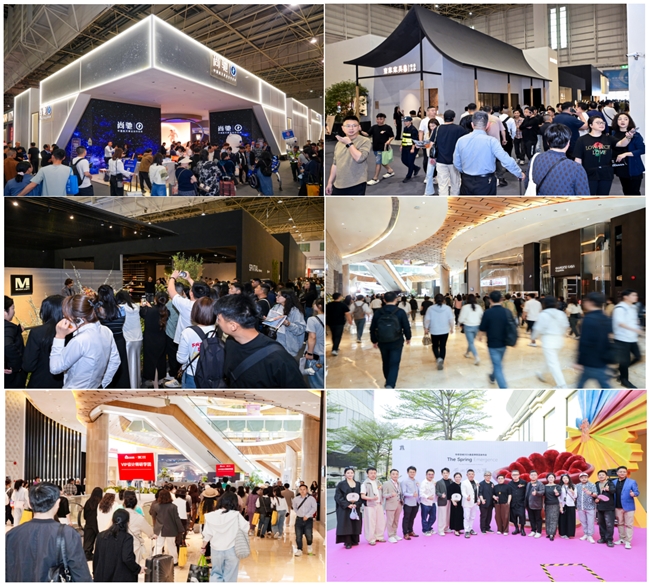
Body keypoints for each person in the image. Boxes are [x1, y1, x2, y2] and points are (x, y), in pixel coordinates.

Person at [214, 293, 306, 388]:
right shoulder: (231, 342)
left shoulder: (279, 358)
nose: (217, 322)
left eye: (219, 319)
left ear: (233, 326)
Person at [5, 482, 92, 582]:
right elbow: (81, 576)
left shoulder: (11, 534)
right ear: (58, 503)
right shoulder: (68, 534)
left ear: (29, 503)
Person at [48, 293, 120, 389]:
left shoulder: (80, 340)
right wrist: (103, 384)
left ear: (79, 319)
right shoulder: (106, 331)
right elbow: (115, 361)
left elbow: (55, 368)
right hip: (95, 388)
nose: (64, 317)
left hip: (74, 392)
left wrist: (59, 336)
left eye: (66, 315)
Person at [453, 111, 524, 194]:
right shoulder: (492, 141)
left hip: (466, 180)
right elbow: (506, 160)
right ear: (488, 125)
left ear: (472, 124)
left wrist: (465, 171)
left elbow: (456, 162)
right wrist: (519, 173)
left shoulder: (461, 140)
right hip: (486, 181)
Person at [526, 124, 590, 195]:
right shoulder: (576, 168)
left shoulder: (535, 158)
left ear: (548, 142)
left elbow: (527, 183)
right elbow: (583, 195)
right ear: (568, 143)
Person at [201, 491, 249, 582]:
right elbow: (246, 528)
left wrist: (203, 547)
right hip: (232, 549)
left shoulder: (211, 516)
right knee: (230, 575)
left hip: (216, 549)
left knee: (216, 573)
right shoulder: (236, 515)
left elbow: (207, 534)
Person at [369, 291, 412, 389]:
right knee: (394, 363)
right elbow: (406, 326)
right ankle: (390, 384)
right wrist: (408, 337)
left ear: (384, 300)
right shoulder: (400, 312)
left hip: (382, 340)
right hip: (397, 340)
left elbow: (373, 327)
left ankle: (388, 380)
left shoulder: (378, 312)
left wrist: (374, 340)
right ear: (396, 300)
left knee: (386, 361)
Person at [177, 297, 217, 389]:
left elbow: (181, 359)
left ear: (195, 312)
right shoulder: (217, 330)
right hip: (212, 375)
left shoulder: (187, 332)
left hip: (192, 375)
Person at [326, 115, 371, 195]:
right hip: (338, 184)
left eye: (354, 126)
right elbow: (335, 164)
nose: (351, 128)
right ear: (343, 128)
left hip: (356, 183)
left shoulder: (365, 141)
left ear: (359, 127)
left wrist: (349, 143)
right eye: (348, 126)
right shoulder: (339, 143)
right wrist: (330, 182)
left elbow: (360, 158)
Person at [574, 116, 619, 195]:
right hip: (589, 173)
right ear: (591, 125)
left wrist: (628, 137)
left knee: (603, 196)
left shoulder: (608, 138)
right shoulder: (582, 140)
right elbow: (578, 158)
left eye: (602, 123)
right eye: (598, 123)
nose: (601, 124)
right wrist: (578, 174)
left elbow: (621, 144)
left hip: (606, 172)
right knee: (590, 196)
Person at [576, 292, 612, 388]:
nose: (584, 303)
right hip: (603, 359)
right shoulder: (605, 317)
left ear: (591, 302)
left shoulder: (588, 319)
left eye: (586, 300)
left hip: (591, 361)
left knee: (581, 384)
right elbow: (610, 335)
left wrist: (579, 361)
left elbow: (584, 342)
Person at [531, 296, 570, 388]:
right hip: (559, 340)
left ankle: (562, 385)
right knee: (551, 360)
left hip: (548, 341)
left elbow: (537, 328)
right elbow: (566, 325)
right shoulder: (561, 313)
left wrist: (533, 337)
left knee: (553, 363)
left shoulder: (543, 314)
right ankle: (542, 373)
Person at [93, 509, 141, 582]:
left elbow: (96, 557)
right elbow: (127, 558)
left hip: (102, 576)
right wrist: (138, 569)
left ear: (112, 520)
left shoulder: (101, 536)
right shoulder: (127, 538)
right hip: (120, 577)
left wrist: (95, 574)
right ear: (127, 522)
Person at [478, 290, 514, 388]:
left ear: (490, 300)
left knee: (497, 366)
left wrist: (480, 336)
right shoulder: (507, 312)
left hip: (492, 344)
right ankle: (492, 377)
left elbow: (482, 327)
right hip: (504, 343)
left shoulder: (488, 313)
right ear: (501, 299)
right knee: (497, 363)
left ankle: (504, 388)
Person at [612, 289, 643, 389]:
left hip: (632, 338)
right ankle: (624, 380)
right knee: (625, 361)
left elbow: (633, 320)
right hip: (621, 338)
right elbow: (620, 323)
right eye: (633, 295)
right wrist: (635, 329)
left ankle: (620, 370)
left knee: (638, 357)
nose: (636, 297)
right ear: (626, 297)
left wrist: (637, 323)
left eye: (636, 295)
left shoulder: (633, 307)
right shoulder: (619, 308)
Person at [610, 113, 645, 195]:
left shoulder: (635, 135)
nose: (622, 121)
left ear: (629, 121)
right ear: (616, 121)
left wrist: (626, 154)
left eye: (625, 119)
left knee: (634, 192)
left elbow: (642, 150)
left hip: (633, 167)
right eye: (620, 119)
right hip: (620, 167)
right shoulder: (613, 134)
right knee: (626, 191)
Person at [140, 292, 169, 388]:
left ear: (155, 299)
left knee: (152, 362)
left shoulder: (148, 310)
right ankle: (160, 380)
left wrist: (143, 306)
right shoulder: (166, 311)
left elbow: (142, 314)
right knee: (160, 360)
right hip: (161, 338)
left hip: (149, 339)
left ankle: (155, 384)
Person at [116, 291, 142, 389]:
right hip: (138, 338)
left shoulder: (121, 308)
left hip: (128, 339)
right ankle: (136, 384)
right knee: (136, 363)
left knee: (128, 365)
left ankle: (130, 386)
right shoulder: (136, 307)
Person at [150, 488, 184, 564]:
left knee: (158, 545)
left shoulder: (156, 506)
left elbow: (154, 517)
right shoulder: (173, 507)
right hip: (171, 529)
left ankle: (155, 561)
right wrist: (181, 529)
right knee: (172, 545)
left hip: (159, 529)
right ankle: (174, 561)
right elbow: (176, 519)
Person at [270, 288, 306, 357]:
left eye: (279, 296)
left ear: (286, 297)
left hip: (289, 341)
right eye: (277, 295)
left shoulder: (295, 311)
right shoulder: (276, 307)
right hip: (276, 337)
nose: (276, 297)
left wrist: (288, 324)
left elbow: (301, 329)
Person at [424, 293, 454, 370]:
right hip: (444, 330)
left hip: (434, 330)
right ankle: (441, 360)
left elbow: (427, 319)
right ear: (443, 300)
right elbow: (451, 319)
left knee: (435, 346)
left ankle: (438, 358)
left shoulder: (430, 308)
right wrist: (452, 328)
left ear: (434, 300)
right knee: (443, 346)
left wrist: (426, 328)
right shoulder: (448, 308)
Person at [122, 490, 154, 564]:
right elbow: (150, 532)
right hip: (134, 546)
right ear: (135, 504)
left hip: (119, 544)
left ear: (124, 503)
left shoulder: (117, 514)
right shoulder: (139, 518)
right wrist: (152, 535)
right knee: (133, 565)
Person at [613, 465, 640, 550]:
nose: (622, 473)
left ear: (626, 473)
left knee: (629, 525)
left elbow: (637, 492)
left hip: (629, 507)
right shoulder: (613, 482)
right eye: (620, 472)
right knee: (620, 524)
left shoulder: (632, 482)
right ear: (617, 473)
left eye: (624, 472)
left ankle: (628, 541)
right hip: (617, 506)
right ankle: (621, 539)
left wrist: (634, 494)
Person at [364, 113, 395, 185]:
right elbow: (367, 134)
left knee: (378, 162)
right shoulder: (374, 127)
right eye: (378, 119)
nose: (379, 120)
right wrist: (360, 130)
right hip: (375, 147)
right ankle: (390, 171)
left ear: (384, 119)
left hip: (383, 148)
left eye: (381, 119)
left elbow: (392, 136)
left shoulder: (387, 127)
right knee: (382, 161)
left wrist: (389, 141)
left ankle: (375, 178)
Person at [334, 468, 362, 549]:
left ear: (354, 474)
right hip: (345, 508)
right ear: (345, 474)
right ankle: (347, 542)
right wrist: (347, 504)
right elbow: (338, 496)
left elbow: (361, 495)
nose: (350, 474)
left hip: (355, 507)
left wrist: (357, 504)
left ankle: (354, 540)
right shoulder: (341, 484)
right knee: (346, 524)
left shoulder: (358, 484)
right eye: (348, 473)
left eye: (351, 473)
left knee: (355, 523)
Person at [359, 467, 385, 545]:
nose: (373, 475)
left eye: (374, 473)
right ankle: (371, 539)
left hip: (379, 504)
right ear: (367, 474)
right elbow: (362, 496)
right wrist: (372, 498)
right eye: (371, 473)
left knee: (380, 521)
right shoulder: (365, 484)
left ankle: (379, 537)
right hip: (370, 505)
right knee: (370, 522)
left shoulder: (378, 482)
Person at [5, 296, 26, 388]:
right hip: (11, 378)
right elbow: (7, 344)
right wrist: (16, 365)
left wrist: (17, 331)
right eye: (12, 308)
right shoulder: (8, 327)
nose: (14, 312)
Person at [304, 297, 325, 389]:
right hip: (325, 353)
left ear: (319, 306)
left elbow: (312, 337)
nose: (313, 305)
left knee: (316, 382)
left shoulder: (312, 319)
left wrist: (309, 353)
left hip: (316, 354)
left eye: (314, 304)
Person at [293, 483, 317, 556]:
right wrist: (299, 514)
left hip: (308, 520)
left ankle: (309, 546)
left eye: (304, 489)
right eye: (301, 489)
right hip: (299, 519)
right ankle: (299, 549)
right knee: (298, 536)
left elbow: (314, 508)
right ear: (299, 490)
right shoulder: (296, 499)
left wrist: (307, 515)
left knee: (309, 535)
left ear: (307, 490)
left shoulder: (311, 498)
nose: (302, 491)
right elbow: (294, 508)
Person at [458, 294, 483, 365]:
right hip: (477, 327)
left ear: (467, 300)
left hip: (468, 327)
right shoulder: (478, 307)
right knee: (471, 342)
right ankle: (467, 353)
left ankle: (476, 357)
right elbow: (482, 316)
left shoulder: (465, 307)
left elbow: (461, 319)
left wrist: (460, 323)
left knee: (471, 342)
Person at [595, 469, 616, 547]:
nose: (601, 476)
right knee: (601, 523)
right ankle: (603, 538)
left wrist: (608, 489)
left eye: (603, 475)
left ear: (606, 476)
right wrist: (595, 499)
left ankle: (609, 540)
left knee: (609, 524)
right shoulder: (596, 484)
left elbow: (613, 490)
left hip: (608, 507)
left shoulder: (610, 483)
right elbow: (595, 494)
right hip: (600, 506)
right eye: (599, 475)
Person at [575, 472, 597, 544]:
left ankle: (590, 535)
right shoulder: (577, 486)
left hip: (590, 507)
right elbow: (575, 495)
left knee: (590, 522)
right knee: (583, 521)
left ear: (587, 478)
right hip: (580, 507)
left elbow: (596, 494)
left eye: (585, 477)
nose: (583, 479)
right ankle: (585, 534)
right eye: (582, 477)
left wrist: (590, 493)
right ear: (579, 478)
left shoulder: (592, 485)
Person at [383, 469, 403, 543]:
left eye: (396, 474)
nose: (395, 475)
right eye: (393, 474)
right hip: (390, 504)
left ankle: (394, 534)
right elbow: (384, 495)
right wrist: (391, 494)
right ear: (390, 475)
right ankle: (390, 536)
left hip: (399, 504)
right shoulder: (386, 483)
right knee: (390, 521)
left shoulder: (399, 483)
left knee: (396, 520)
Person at [400, 466, 420, 539]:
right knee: (406, 518)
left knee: (412, 518)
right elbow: (403, 493)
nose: (412, 473)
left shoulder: (416, 481)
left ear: (415, 473)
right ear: (407, 472)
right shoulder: (404, 481)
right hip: (408, 503)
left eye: (413, 472)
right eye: (411, 472)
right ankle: (405, 533)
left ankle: (410, 531)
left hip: (416, 502)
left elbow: (418, 491)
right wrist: (412, 495)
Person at [399, 116, 420, 183]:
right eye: (404, 121)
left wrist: (413, 149)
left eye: (406, 121)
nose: (405, 123)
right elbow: (404, 138)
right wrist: (401, 145)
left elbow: (415, 140)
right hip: (405, 146)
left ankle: (408, 176)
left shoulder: (413, 130)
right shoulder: (405, 128)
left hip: (411, 148)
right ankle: (416, 168)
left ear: (410, 122)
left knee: (410, 162)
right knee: (404, 160)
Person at [460, 469, 479, 539]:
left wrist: (478, 500)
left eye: (472, 474)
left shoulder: (476, 482)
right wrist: (466, 497)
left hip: (474, 502)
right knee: (467, 517)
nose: (471, 475)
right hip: (467, 503)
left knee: (472, 517)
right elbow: (463, 492)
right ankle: (466, 530)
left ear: (474, 475)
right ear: (467, 475)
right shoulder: (464, 483)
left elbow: (477, 492)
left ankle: (471, 529)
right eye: (469, 474)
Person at [525, 470, 544, 538]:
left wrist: (537, 493)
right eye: (532, 475)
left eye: (534, 475)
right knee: (531, 518)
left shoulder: (540, 484)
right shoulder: (528, 484)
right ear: (529, 476)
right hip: (529, 504)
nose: (533, 476)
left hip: (537, 504)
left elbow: (542, 492)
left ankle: (539, 532)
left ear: (537, 476)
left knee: (538, 519)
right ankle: (533, 530)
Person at [508, 469, 527, 536]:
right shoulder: (509, 484)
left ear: (519, 475)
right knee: (514, 517)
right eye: (513, 475)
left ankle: (522, 529)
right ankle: (516, 528)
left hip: (521, 503)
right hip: (513, 503)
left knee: (522, 516)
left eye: (516, 475)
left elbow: (527, 491)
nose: (515, 476)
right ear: (511, 476)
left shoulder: (523, 482)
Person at [419, 468, 437, 537]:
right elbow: (421, 493)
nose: (431, 476)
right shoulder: (423, 483)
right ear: (426, 475)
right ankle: (425, 530)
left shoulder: (433, 481)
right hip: (425, 503)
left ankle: (428, 528)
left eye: (432, 474)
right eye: (429, 474)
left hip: (432, 502)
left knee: (433, 517)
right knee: (424, 518)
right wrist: (428, 497)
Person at [558, 474, 577, 539]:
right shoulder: (560, 486)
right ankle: (562, 533)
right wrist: (560, 506)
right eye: (564, 478)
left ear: (569, 479)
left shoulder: (573, 486)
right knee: (562, 519)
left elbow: (575, 496)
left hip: (571, 504)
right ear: (562, 480)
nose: (565, 479)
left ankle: (569, 533)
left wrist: (572, 492)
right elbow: (559, 497)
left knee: (570, 519)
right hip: (563, 505)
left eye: (566, 478)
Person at [435, 468, 452, 536]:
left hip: (450, 501)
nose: (445, 474)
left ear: (449, 473)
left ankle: (446, 528)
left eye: (447, 473)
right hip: (442, 501)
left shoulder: (451, 481)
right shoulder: (439, 482)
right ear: (442, 474)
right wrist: (441, 495)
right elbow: (436, 491)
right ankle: (440, 530)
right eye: (444, 473)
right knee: (442, 516)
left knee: (448, 515)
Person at [544, 473, 560, 541]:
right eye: (549, 477)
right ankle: (548, 532)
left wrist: (556, 492)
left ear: (554, 478)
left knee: (554, 519)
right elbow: (542, 494)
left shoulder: (557, 486)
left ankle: (552, 534)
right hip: (547, 504)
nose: (551, 479)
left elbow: (559, 494)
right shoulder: (544, 486)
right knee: (547, 519)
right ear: (547, 479)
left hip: (554, 504)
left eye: (552, 477)